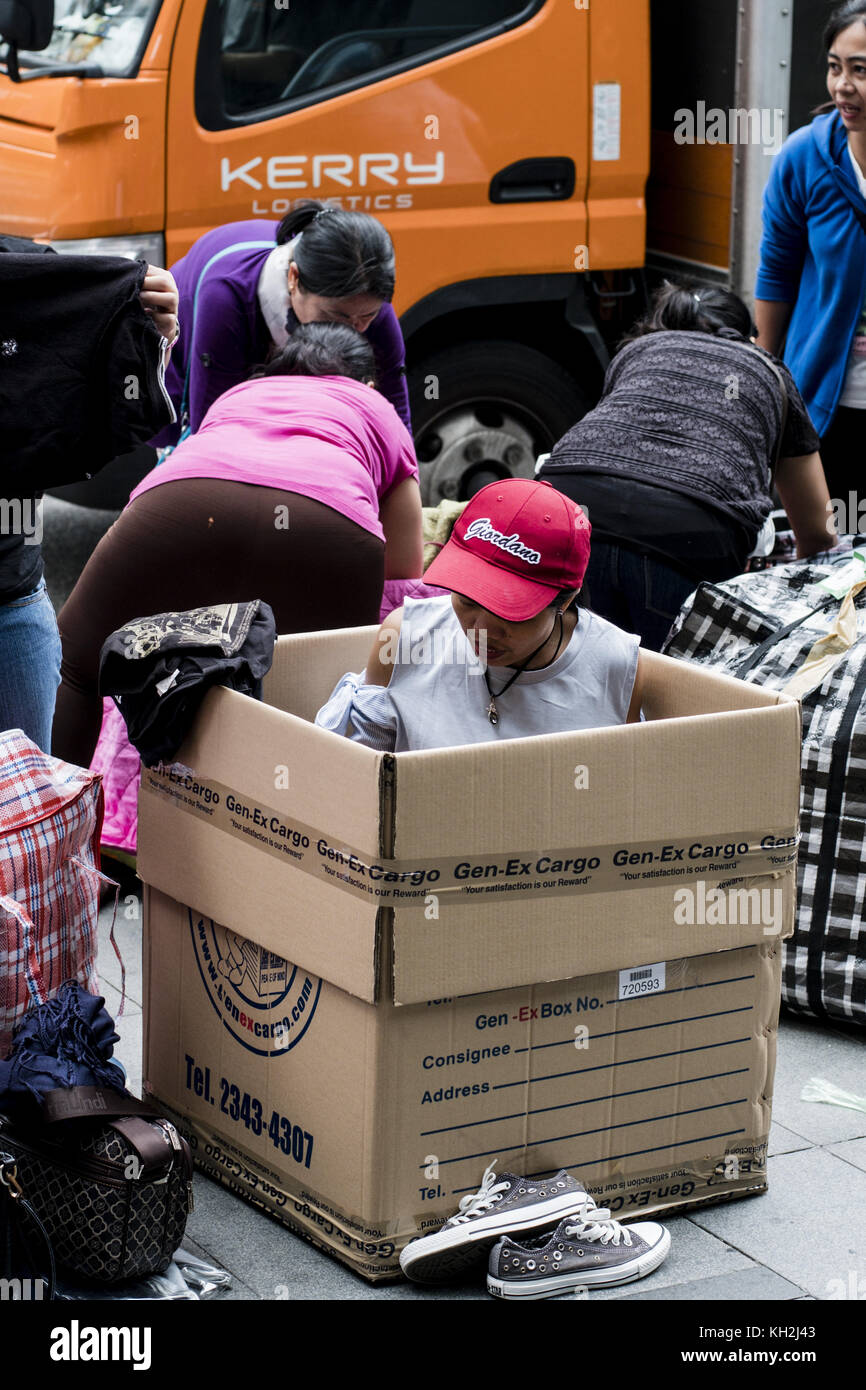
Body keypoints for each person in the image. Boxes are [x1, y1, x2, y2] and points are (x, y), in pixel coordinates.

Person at [52, 323, 423, 768]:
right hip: (326, 523)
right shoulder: (375, 406)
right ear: (365, 382)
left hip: (181, 502)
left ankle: (49, 821)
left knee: (73, 664)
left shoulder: (238, 394)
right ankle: (308, 826)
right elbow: (402, 575)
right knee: (328, 691)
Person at [538, 282, 836, 651]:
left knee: (579, 683)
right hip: (689, 530)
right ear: (746, 335)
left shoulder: (637, 351)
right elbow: (819, 533)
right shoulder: (768, 371)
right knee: (680, 698)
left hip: (562, 514)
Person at [315, 478, 644, 753]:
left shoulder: (614, 668)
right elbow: (358, 780)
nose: (482, 630)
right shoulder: (404, 640)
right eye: (468, 600)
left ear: (565, 600)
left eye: (510, 610)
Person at [0, 261, 177, 753]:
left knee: (25, 811)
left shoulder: (25, 273)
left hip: (9, 600)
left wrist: (147, 337)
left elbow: (112, 412)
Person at [151, 202, 410, 454]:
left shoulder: (364, 299)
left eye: (367, 316)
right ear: (293, 278)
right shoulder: (225, 297)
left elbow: (395, 413)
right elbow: (211, 433)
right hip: (189, 356)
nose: (354, 329)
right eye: (335, 316)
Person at [754, 0, 866, 502]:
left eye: (860, 70)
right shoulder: (803, 158)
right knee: (828, 561)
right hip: (824, 410)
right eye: (834, 67)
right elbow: (775, 275)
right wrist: (761, 384)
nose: (843, 85)